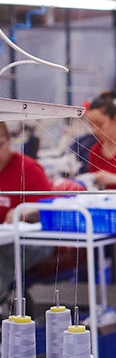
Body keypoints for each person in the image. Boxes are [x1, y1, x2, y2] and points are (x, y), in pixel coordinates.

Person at [0, 122, 56, 311]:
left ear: (9, 142)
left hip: (36, 241)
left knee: (5, 254)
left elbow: (50, 208)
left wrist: (23, 212)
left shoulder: (28, 168)